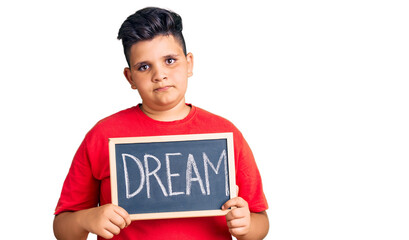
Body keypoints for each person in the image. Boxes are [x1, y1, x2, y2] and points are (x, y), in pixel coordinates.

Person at [53, 7, 269, 240]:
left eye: (169, 60)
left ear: (189, 64)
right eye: (144, 67)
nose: (159, 74)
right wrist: (86, 219)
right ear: (130, 78)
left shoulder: (225, 134)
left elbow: (260, 222)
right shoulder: (102, 135)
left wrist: (246, 226)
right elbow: (63, 228)